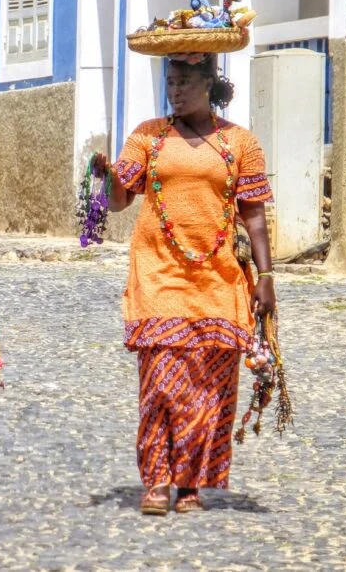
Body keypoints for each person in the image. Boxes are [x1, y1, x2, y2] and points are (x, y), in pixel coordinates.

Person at [92, 52, 276, 515]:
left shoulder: (240, 143)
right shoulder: (148, 137)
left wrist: (266, 276)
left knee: (207, 387)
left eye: (184, 82)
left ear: (209, 83)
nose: (174, 91)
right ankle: (156, 480)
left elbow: (253, 215)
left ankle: (190, 483)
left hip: (218, 280)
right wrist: (109, 176)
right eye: (170, 82)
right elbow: (118, 201)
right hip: (157, 274)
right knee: (161, 385)